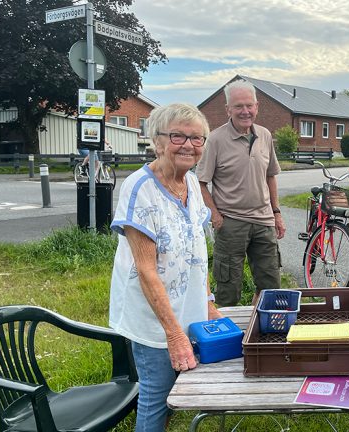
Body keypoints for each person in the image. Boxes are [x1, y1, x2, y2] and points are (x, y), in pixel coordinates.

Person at [108, 103, 222, 432]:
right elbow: (146, 270)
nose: (188, 144)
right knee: (157, 395)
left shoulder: (191, 186)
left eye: (197, 138)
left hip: (188, 308)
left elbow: (197, 254)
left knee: (177, 391)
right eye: (177, 136)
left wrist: (209, 301)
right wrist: (173, 334)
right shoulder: (139, 189)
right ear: (157, 141)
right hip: (153, 319)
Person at [196, 79, 285, 306]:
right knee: (228, 288)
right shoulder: (215, 139)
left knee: (271, 284)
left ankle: (259, 331)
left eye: (249, 105)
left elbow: (270, 176)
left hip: (264, 222)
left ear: (257, 106)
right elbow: (201, 182)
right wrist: (215, 216)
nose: (245, 111)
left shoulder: (265, 135)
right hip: (231, 223)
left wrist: (276, 213)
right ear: (228, 109)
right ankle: (229, 336)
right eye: (238, 106)